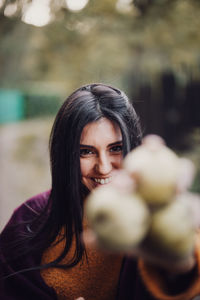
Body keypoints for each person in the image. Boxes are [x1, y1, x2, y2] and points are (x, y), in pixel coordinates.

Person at [0, 83, 200, 300]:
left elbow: (181, 277)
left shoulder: (158, 219)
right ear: (65, 155)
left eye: (116, 148)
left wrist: (177, 262)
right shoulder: (28, 220)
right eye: (85, 152)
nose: (103, 167)